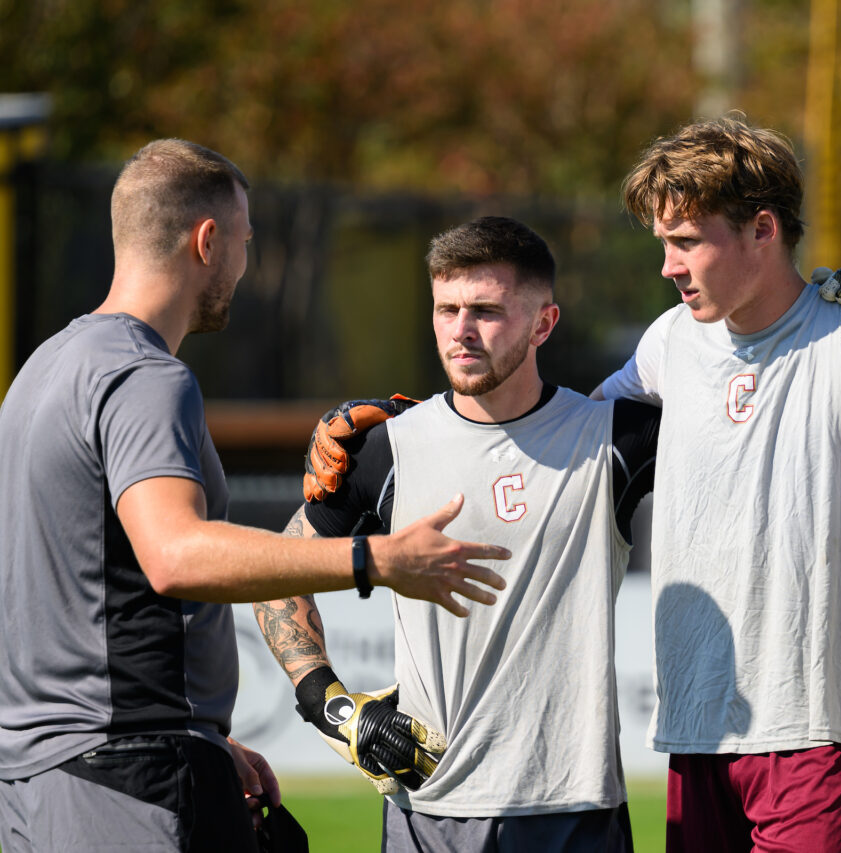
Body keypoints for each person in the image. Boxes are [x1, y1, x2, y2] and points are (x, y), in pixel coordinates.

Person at [0, 139, 509, 852]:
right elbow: (174, 555)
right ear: (207, 241)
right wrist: (375, 558)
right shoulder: (145, 377)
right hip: (127, 779)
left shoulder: (43, 369)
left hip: (43, 779)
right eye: (244, 240)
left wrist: (209, 737)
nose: (245, 262)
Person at [587, 114, 841, 851]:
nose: (668, 265)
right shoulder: (668, 343)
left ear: (762, 229)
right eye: (664, 243)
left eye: (687, 241)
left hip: (822, 730)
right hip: (698, 726)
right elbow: (561, 437)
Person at [254, 216, 660, 852]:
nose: (461, 331)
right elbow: (274, 573)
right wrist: (328, 704)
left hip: (576, 808)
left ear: (543, 324)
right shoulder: (384, 450)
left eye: (486, 311)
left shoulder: (617, 438)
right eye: (447, 309)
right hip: (430, 808)